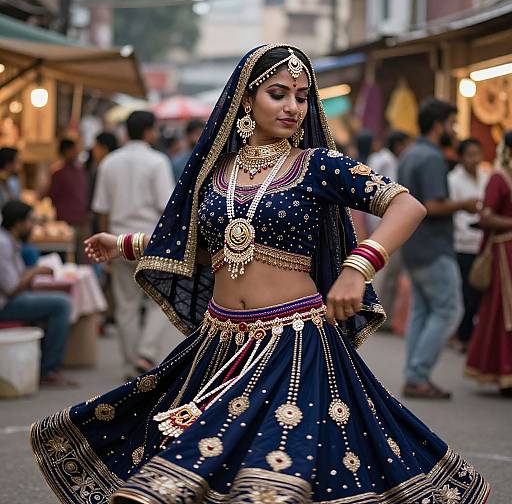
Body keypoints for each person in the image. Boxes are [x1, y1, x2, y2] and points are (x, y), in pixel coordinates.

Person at [31, 46, 489, 504]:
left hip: (293, 343)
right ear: (246, 100)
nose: (293, 107)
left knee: (269, 478)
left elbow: (407, 205)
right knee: (186, 468)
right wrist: (126, 244)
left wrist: (358, 265)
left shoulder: (317, 165)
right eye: (278, 94)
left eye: (302, 97)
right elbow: (202, 240)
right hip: (220, 343)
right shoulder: (217, 171)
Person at [398, 98, 478, 399]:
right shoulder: (430, 157)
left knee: (422, 310)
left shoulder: (410, 153)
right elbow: (431, 205)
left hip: (414, 245)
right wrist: (465, 204)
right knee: (448, 309)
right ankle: (418, 375)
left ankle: (414, 375)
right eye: (451, 123)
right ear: (438, 125)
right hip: (433, 246)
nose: (453, 129)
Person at [91, 111, 179, 378]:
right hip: (148, 241)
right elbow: (167, 207)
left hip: (116, 240)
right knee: (160, 300)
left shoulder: (109, 162)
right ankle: (146, 354)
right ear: (150, 131)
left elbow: (101, 209)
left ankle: (133, 363)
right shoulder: (157, 161)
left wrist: (104, 245)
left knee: (126, 305)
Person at [0, 200, 74, 386]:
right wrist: (36, 271)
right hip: (7, 303)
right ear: (18, 224)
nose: (32, 226)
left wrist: (36, 271)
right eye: (30, 221)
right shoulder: (3, 243)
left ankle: (44, 362)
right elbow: (11, 287)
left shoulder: (10, 241)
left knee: (55, 300)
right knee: (61, 304)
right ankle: (48, 369)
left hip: (12, 298)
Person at [465, 131, 512, 397]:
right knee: (502, 314)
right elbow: (486, 217)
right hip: (504, 254)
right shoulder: (499, 178)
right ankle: (502, 372)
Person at [448, 138, 489, 352]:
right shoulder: (453, 180)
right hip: (462, 244)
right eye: (470, 155)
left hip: (484, 244)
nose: (475, 159)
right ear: (461, 157)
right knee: (467, 294)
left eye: (477, 154)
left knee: (482, 295)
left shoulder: (486, 176)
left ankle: (473, 337)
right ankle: (463, 337)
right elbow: (453, 214)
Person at [368, 132, 411, 331]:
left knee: (390, 274)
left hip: (385, 221)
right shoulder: (385, 160)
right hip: (384, 222)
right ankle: (376, 314)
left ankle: (385, 316)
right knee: (384, 273)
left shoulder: (387, 159)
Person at [48, 138, 90, 263]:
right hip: (65, 224)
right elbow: (52, 195)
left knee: (82, 258)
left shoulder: (81, 171)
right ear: (66, 151)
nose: (77, 152)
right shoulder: (58, 173)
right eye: (74, 149)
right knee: (67, 258)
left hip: (81, 221)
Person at [89, 132, 119, 234]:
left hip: (107, 223)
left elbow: (102, 206)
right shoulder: (113, 165)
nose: (93, 150)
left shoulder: (105, 166)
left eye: (96, 146)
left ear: (104, 148)